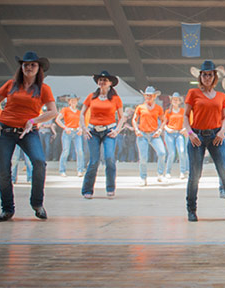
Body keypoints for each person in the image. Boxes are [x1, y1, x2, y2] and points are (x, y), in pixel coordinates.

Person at [0, 51, 57, 222]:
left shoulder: (43, 89)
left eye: (33, 65)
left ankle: (37, 204)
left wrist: (34, 120)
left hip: (28, 132)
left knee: (39, 162)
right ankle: (7, 209)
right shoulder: (11, 84)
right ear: (21, 67)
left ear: (38, 68)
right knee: (3, 170)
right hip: (5, 130)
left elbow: (53, 112)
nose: (29, 68)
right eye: (26, 65)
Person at [184, 61, 225, 222]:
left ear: (214, 77)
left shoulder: (221, 96)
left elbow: (224, 117)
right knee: (195, 175)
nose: (207, 77)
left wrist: (222, 131)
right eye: (204, 74)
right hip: (197, 136)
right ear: (200, 77)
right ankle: (191, 209)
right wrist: (190, 133)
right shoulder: (193, 93)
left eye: (210, 74)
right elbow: (186, 116)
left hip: (216, 136)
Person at [80, 70, 125, 199]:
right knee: (94, 161)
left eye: (105, 80)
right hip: (92, 131)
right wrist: (84, 128)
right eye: (100, 80)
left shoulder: (115, 99)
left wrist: (117, 130)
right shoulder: (91, 97)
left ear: (110, 83)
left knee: (109, 158)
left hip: (108, 131)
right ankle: (87, 190)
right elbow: (82, 113)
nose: (102, 82)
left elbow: (122, 117)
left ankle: (110, 188)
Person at [133, 86, 167, 184]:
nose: (148, 97)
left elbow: (164, 120)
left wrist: (160, 130)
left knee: (162, 153)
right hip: (142, 134)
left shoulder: (158, 108)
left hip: (154, 134)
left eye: (150, 96)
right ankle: (143, 178)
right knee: (143, 157)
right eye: (147, 95)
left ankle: (160, 174)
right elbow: (134, 119)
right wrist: (136, 130)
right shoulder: (140, 107)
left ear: (154, 96)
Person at [56, 94, 85, 177]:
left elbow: (80, 122)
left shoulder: (79, 112)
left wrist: (80, 128)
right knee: (65, 151)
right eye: (71, 101)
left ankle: (80, 170)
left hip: (76, 132)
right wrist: (65, 127)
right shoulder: (65, 110)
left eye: (75, 101)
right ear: (69, 102)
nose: (73, 102)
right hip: (68, 132)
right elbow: (58, 119)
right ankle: (62, 170)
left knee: (79, 151)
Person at [163, 92, 189, 180]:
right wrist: (167, 129)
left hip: (179, 133)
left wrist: (185, 129)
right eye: (174, 99)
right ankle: (168, 172)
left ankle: (182, 171)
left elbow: (186, 121)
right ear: (171, 101)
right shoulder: (168, 112)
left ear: (179, 101)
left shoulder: (182, 111)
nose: (175, 101)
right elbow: (164, 123)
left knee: (182, 151)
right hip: (170, 133)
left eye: (177, 100)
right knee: (172, 153)